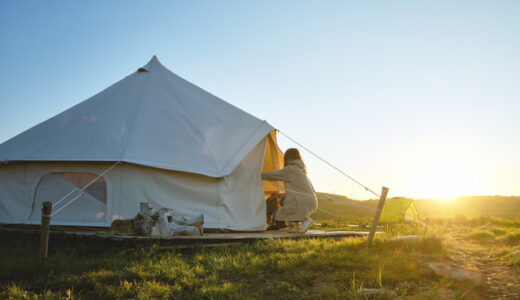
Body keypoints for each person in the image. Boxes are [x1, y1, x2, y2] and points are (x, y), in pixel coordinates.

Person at [261, 148, 318, 233]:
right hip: (311, 201)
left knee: (278, 214)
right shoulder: (301, 170)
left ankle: (305, 220)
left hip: (302, 201)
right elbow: (300, 189)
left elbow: (273, 175)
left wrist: (257, 175)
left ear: (287, 158)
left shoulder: (291, 169)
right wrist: (283, 195)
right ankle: (294, 226)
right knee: (284, 209)